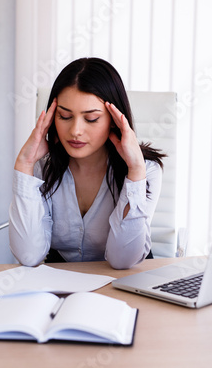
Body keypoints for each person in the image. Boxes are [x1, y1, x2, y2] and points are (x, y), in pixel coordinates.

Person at [9, 57, 166, 269]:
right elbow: (29, 256)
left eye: (91, 119)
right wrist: (24, 165)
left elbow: (122, 261)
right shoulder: (41, 167)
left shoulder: (145, 170)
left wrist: (136, 170)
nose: (75, 131)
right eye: (64, 116)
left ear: (114, 119)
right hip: (62, 285)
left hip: (123, 285)